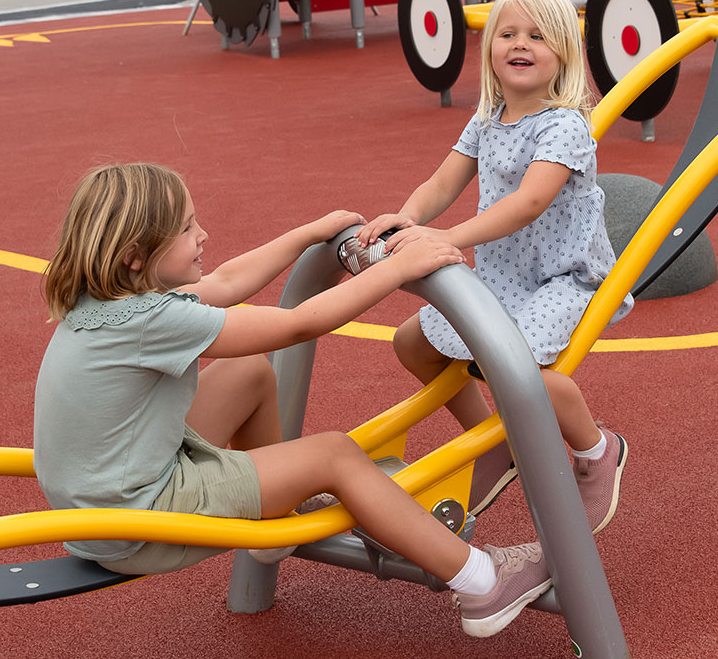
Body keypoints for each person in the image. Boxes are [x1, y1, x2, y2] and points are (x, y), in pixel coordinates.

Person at [33, 162, 554, 638]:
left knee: (246, 372)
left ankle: (272, 514)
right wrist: (396, 268)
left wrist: (307, 234)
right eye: (188, 227)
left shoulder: (109, 300)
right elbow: (300, 323)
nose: (203, 234)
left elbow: (227, 280)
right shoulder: (152, 320)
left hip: (105, 506)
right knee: (333, 454)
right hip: (139, 523)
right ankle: (482, 583)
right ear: (135, 256)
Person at [356, 0, 633, 532]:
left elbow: (529, 203)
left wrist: (446, 240)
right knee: (412, 343)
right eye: (507, 34)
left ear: (564, 53)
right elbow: (443, 181)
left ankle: (597, 448)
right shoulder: (488, 119)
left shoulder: (566, 125)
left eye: (537, 35)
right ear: (489, 51)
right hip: (504, 278)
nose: (519, 44)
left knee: (515, 369)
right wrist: (408, 218)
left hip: (563, 279)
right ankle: (493, 440)